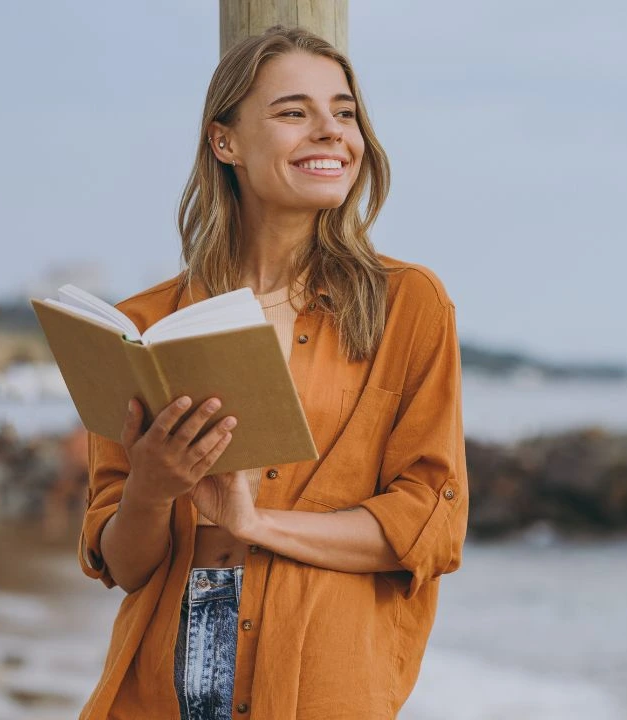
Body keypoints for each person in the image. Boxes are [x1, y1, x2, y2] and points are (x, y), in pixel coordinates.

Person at [76, 26, 468, 720]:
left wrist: (255, 523)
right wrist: (150, 491)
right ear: (225, 142)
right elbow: (124, 564)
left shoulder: (410, 305)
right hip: (158, 683)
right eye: (294, 112)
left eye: (344, 113)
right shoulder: (144, 324)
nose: (331, 133)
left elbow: (429, 527)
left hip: (323, 685)